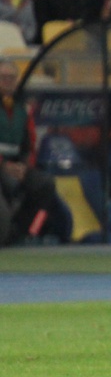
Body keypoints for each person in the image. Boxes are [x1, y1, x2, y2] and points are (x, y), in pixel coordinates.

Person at [0, 60, 62, 246]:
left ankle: (25, 232)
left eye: (11, 78)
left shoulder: (22, 108)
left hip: (16, 165)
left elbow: (29, 143)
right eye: (3, 77)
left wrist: (24, 167)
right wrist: (4, 165)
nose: (7, 81)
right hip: (2, 166)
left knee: (44, 184)